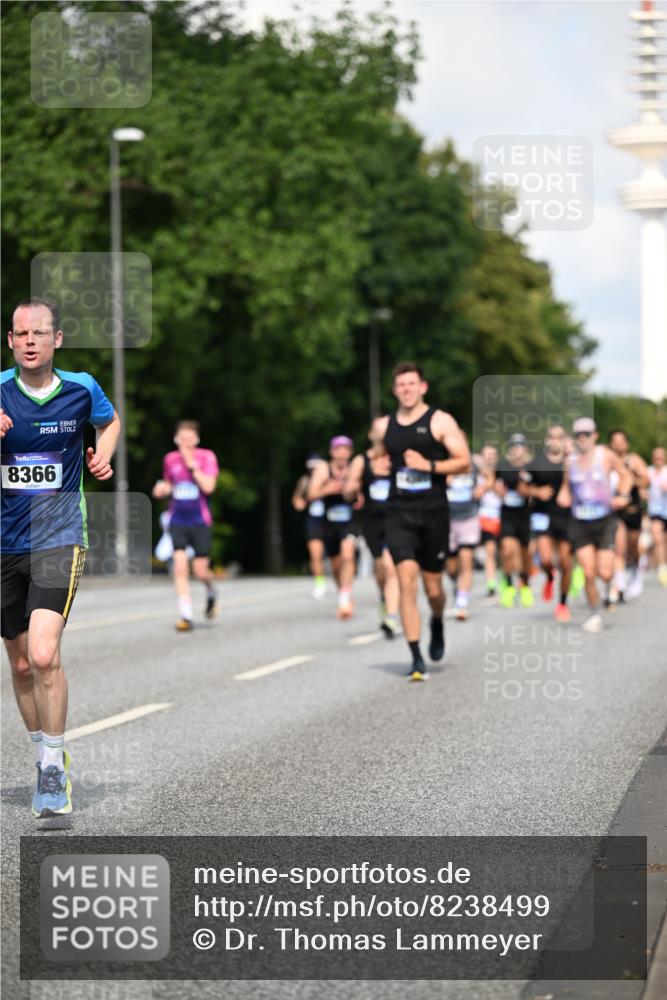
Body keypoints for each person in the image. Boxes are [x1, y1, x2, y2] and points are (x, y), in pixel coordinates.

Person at [1, 298, 120, 817]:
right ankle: (44, 755)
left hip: (59, 536)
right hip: (5, 543)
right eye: (21, 333)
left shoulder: (81, 388)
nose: (30, 341)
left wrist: (102, 454)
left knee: (45, 654)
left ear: (57, 340)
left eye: (39, 333)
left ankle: (52, 768)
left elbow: (109, 421)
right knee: (22, 663)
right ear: (11, 342)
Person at [375, 362, 470, 680]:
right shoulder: (383, 425)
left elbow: (463, 462)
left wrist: (429, 465)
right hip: (399, 512)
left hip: (433, 513)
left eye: (411, 383)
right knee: (406, 583)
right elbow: (376, 454)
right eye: (401, 384)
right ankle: (416, 657)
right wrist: (378, 464)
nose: (406, 389)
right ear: (394, 390)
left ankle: (437, 621)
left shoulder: (440, 421)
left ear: (423, 387)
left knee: (433, 588)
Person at [557, 417, 632, 633]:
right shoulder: (569, 461)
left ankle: (608, 587)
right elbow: (566, 488)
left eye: (587, 434)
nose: (582, 438)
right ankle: (595, 613)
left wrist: (623, 495)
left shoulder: (605, 455)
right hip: (579, 521)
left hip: (605, 520)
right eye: (579, 434)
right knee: (589, 572)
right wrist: (563, 497)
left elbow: (625, 476)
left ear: (595, 436)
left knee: (605, 572)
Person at [153, 420, 219, 631]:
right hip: (177, 520)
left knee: (200, 571)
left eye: (189, 438)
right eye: (182, 438)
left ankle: (210, 590)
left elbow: (209, 487)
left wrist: (193, 466)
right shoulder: (170, 459)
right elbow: (169, 484)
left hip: (200, 521)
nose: (185, 442)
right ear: (176, 439)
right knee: (180, 566)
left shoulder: (206, 457)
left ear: (197, 439)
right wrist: (162, 489)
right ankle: (186, 614)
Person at [345, 420, 401, 637]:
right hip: (371, 522)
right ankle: (384, 599)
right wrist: (352, 491)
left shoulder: (397, 456)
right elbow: (349, 490)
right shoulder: (361, 460)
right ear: (372, 434)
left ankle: (392, 616)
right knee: (380, 570)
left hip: (395, 520)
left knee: (390, 567)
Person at [523, 425, 573, 622]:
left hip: (565, 515)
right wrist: (536, 492)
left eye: (559, 437)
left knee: (566, 562)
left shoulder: (571, 462)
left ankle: (562, 603)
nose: (555, 441)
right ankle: (550, 577)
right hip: (542, 514)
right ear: (547, 441)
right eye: (552, 437)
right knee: (545, 560)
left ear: (565, 440)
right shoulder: (536, 462)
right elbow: (522, 486)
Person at [307, 436, 359, 619]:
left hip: (350, 521)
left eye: (345, 449)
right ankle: (343, 593)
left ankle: (344, 598)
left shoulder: (355, 468)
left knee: (348, 554)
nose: (342, 453)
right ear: (332, 452)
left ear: (350, 452)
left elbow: (363, 491)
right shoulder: (323, 469)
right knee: (336, 566)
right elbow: (311, 494)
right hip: (329, 522)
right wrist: (327, 490)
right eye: (338, 449)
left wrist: (356, 494)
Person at [608, 429, 649, 601]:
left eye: (621, 441)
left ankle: (635, 572)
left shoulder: (634, 460)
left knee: (633, 548)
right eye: (614, 441)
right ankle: (620, 586)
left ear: (626, 443)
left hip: (633, 511)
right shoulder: (607, 461)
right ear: (611, 444)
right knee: (619, 548)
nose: (618, 444)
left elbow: (646, 480)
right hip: (616, 512)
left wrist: (631, 477)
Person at [494, 434, 534, 609]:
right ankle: (509, 586)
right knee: (508, 551)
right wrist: (496, 489)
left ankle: (524, 586)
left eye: (520, 446)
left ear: (525, 449)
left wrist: (530, 491)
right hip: (508, 514)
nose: (516, 450)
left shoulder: (531, 468)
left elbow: (538, 487)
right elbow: (492, 482)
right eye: (513, 446)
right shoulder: (503, 467)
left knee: (525, 555)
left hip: (525, 516)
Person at [446, 455, 480, 621]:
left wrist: (484, 487)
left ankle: (462, 602)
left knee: (466, 559)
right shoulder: (442, 461)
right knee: (451, 566)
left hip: (468, 517)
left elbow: (490, 476)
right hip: (447, 519)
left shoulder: (474, 462)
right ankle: (456, 584)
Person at [292, 454, 327, 599]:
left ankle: (344, 586)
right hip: (314, 520)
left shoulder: (329, 477)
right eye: (311, 468)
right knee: (315, 553)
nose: (314, 470)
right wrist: (300, 502)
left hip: (331, 520)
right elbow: (297, 499)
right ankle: (320, 583)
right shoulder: (305, 481)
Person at [476, 444, 501, 597]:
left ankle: (507, 578)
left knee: (506, 551)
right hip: (486, 515)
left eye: (493, 455)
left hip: (503, 515)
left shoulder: (503, 472)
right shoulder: (477, 475)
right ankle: (491, 581)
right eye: (487, 455)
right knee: (490, 551)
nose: (490, 458)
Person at [647, 446, 667, 586]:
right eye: (656, 458)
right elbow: (640, 485)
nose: (658, 460)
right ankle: (662, 568)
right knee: (657, 538)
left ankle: (664, 563)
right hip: (655, 512)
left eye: (661, 457)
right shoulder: (648, 472)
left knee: (665, 542)